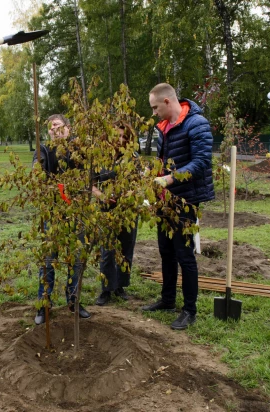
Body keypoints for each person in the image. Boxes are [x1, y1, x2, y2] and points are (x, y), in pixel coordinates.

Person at [142, 83, 214, 330]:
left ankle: (189, 310)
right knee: (166, 251)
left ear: (166, 102)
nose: (154, 114)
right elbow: (166, 161)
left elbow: (202, 161)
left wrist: (171, 178)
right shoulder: (164, 128)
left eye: (154, 108)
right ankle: (168, 299)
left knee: (184, 255)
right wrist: (154, 173)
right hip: (165, 199)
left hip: (186, 198)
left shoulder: (196, 124)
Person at [33, 114, 90, 325]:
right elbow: (37, 176)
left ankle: (74, 301)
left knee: (76, 260)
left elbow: (88, 177)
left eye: (56, 125)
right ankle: (44, 305)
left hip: (77, 212)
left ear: (68, 128)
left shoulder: (79, 149)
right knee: (49, 260)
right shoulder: (44, 150)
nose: (52, 129)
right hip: (53, 212)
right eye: (49, 127)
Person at [92, 124, 139, 306]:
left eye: (123, 137)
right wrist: (102, 196)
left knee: (126, 248)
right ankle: (106, 289)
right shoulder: (100, 159)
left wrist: (128, 195)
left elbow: (139, 185)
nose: (120, 140)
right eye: (116, 136)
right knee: (107, 250)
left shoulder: (133, 159)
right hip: (106, 210)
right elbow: (91, 185)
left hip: (127, 211)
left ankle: (120, 285)